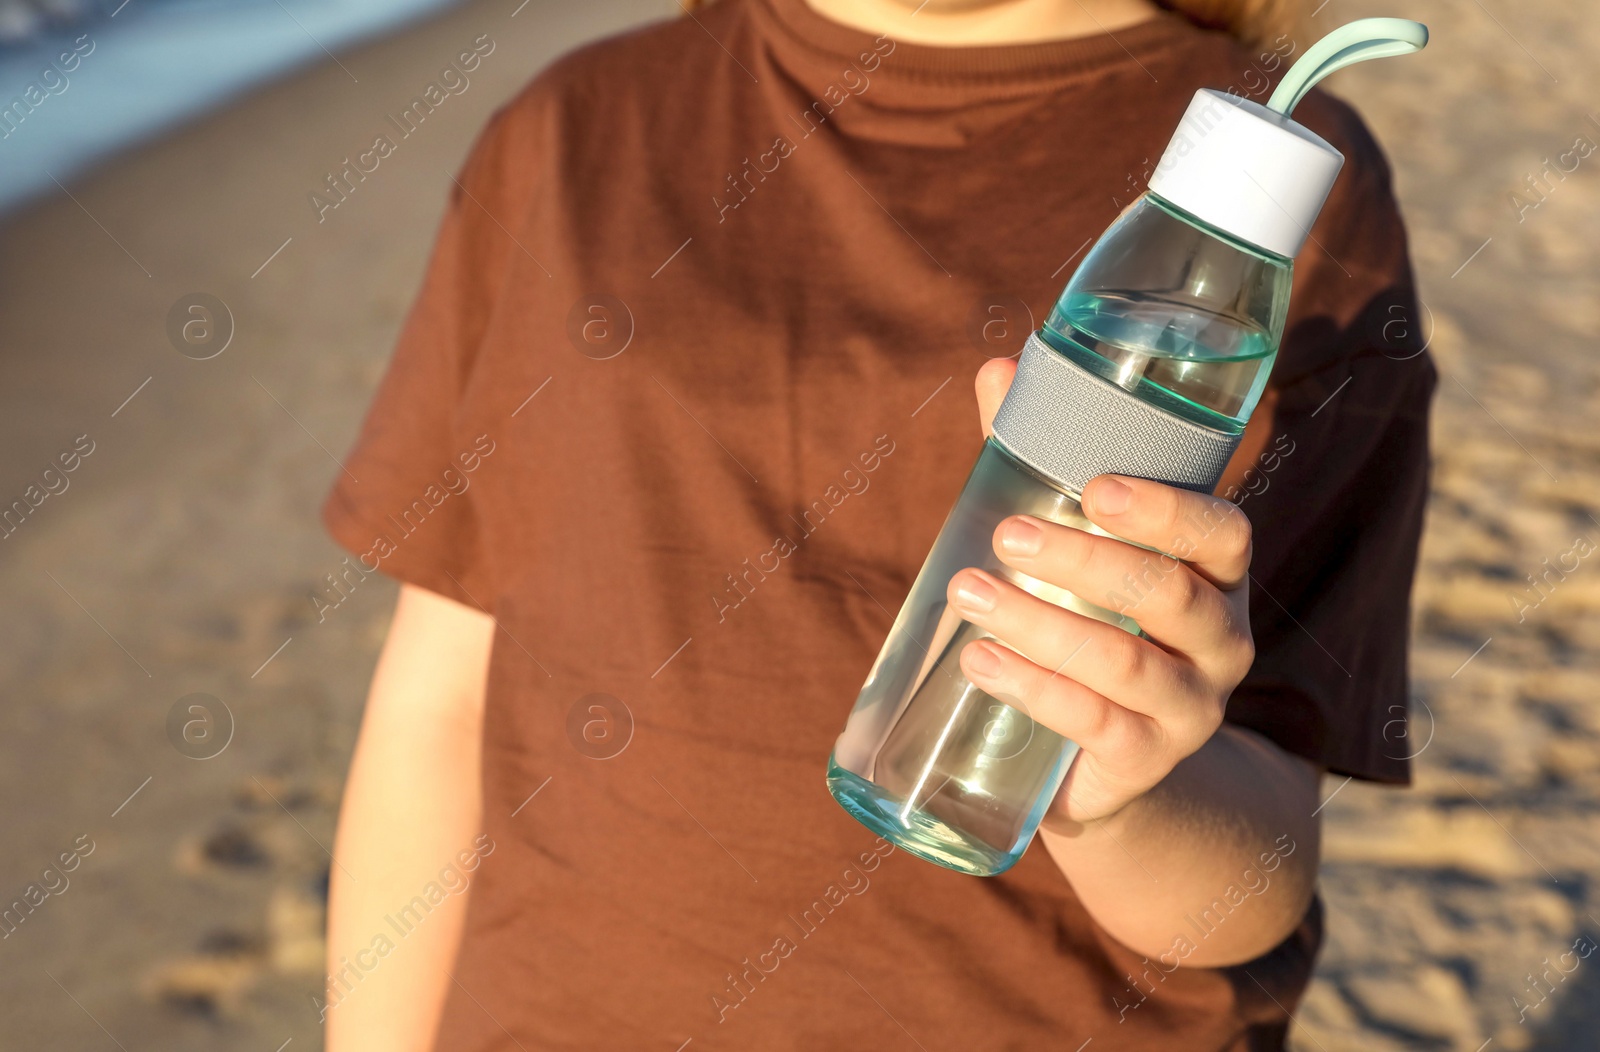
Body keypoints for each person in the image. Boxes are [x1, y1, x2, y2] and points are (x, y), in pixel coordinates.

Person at [319, 0, 1436, 1048]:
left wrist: (1118, 795)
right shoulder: (575, 131)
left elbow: (1260, 871)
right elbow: (440, 698)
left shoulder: (1293, 200)